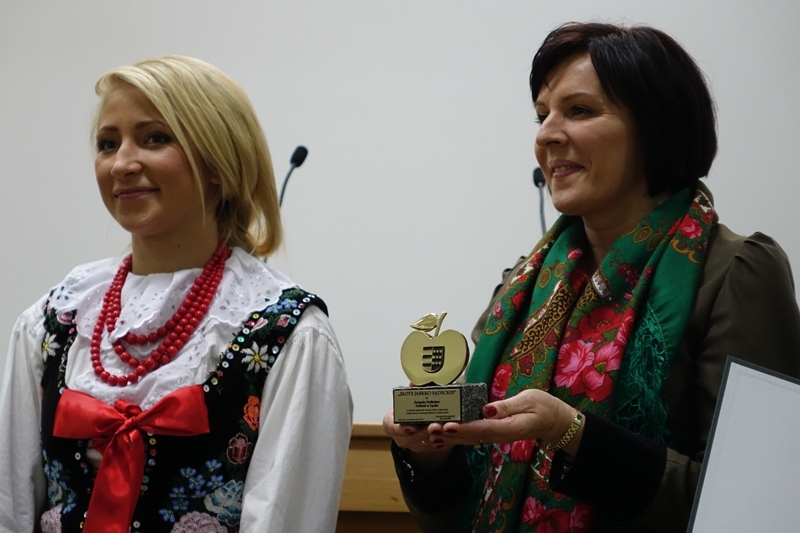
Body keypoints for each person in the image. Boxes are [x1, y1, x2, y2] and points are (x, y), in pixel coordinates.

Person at [383, 22, 800, 533]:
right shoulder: (522, 288)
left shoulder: (736, 274)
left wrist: (571, 433)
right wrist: (428, 452)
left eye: (579, 110)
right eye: (542, 115)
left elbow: (759, 504)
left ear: (655, 127)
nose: (546, 134)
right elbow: (455, 513)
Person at [0, 55, 352, 533]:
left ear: (217, 162)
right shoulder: (54, 320)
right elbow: (11, 509)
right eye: (108, 143)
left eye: (155, 138)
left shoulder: (287, 333)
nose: (122, 164)